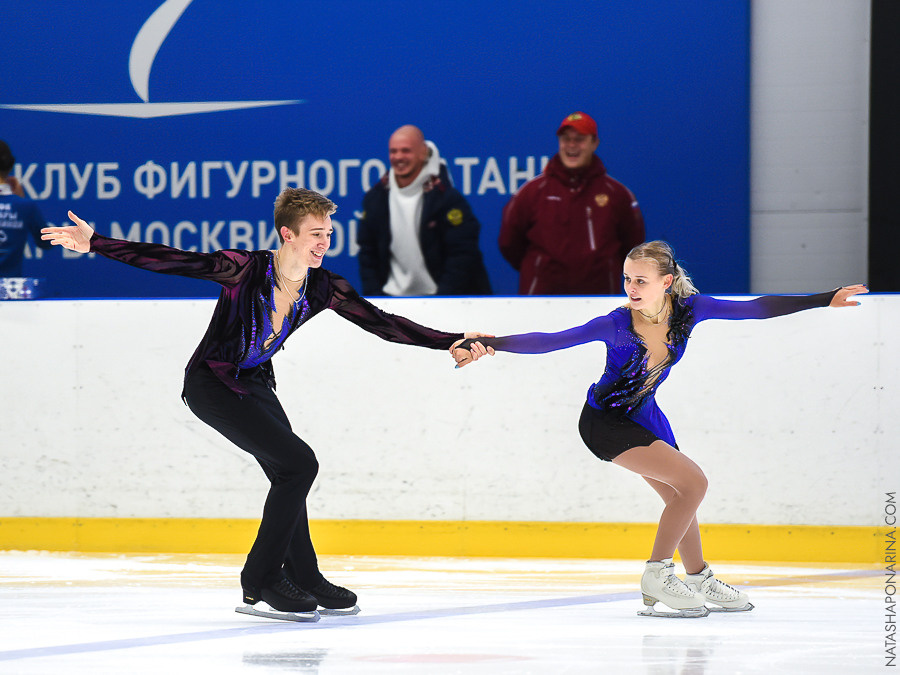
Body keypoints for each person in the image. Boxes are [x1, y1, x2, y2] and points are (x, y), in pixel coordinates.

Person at [41, 188, 491, 619]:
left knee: (288, 469)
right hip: (211, 382)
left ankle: (306, 577)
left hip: (253, 380)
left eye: (329, 234)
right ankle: (261, 578)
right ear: (287, 234)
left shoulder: (323, 287)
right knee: (299, 464)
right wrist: (98, 243)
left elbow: (382, 322)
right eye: (316, 233)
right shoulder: (244, 269)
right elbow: (175, 261)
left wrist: (452, 340)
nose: (324, 242)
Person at [452, 240, 866, 617]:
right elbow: (552, 339)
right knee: (694, 483)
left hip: (646, 416)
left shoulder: (691, 309)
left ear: (666, 282)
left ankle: (698, 577)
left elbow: (756, 308)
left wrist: (823, 299)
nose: (631, 288)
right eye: (627, 279)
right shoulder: (615, 323)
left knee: (681, 494)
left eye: (641, 280)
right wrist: (494, 344)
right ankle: (656, 575)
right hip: (605, 422)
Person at [498, 111, 644, 295]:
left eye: (580, 139)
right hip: (541, 300)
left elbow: (633, 247)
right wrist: (539, 269)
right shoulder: (532, 192)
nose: (572, 146)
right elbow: (509, 243)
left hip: (600, 300)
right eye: (566, 139)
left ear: (594, 143)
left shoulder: (617, 194)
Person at [357, 125, 492, 296]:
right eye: (393, 151)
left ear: (423, 153)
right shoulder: (376, 199)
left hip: (443, 302)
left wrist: (443, 300)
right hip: (391, 302)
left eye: (406, 151)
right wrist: (376, 300)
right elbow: (367, 254)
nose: (398, 157)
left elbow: (463, 254)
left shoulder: (446, 198)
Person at [0, 139, 50, 277]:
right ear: (10, 166)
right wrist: (20, 201)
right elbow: (47, 243)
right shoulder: (26, 207)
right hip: (10, 295)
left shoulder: (26, 206)